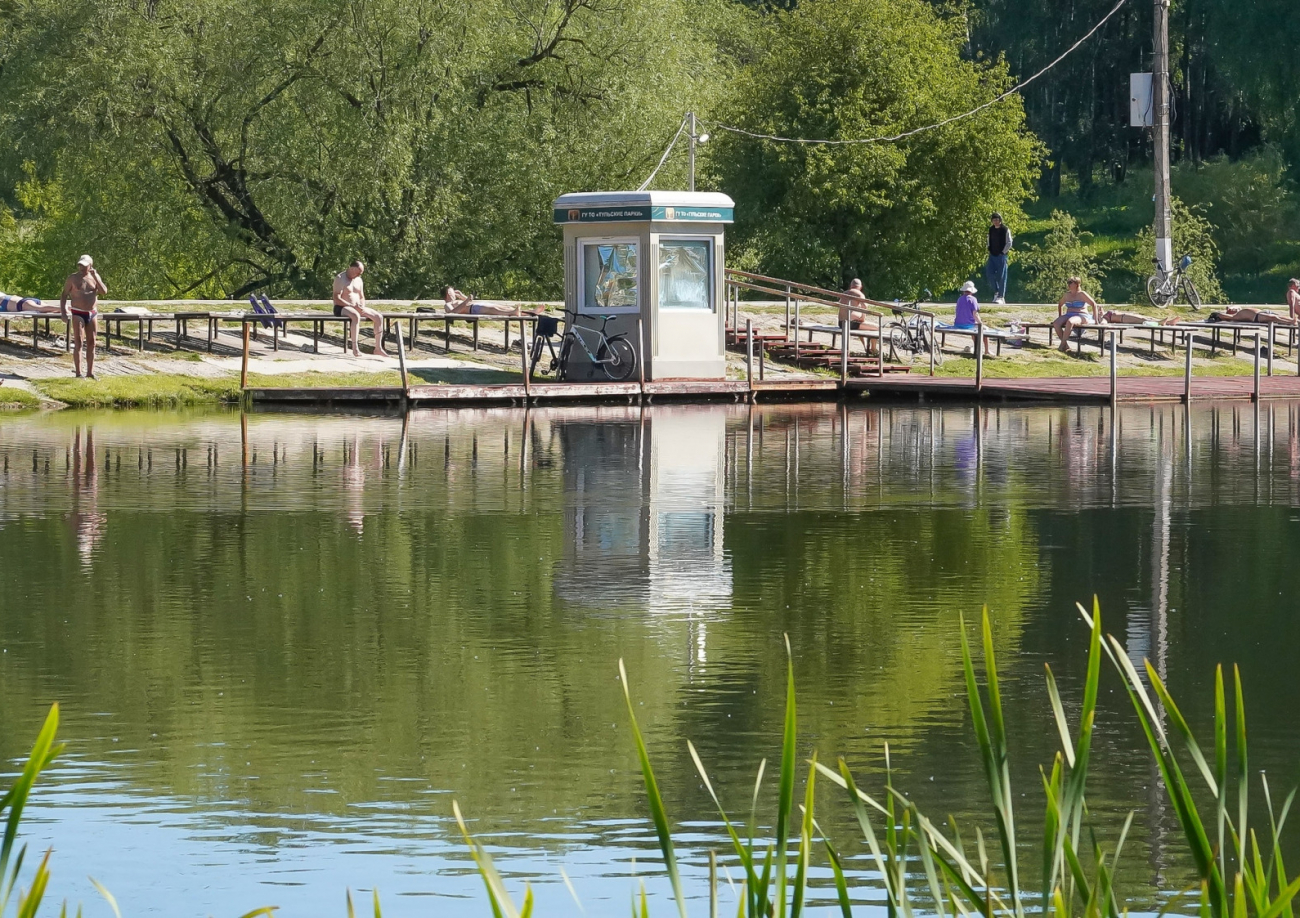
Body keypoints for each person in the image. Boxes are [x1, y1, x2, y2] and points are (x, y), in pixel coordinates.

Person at [60, 255, 107, 379]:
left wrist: (96, 277)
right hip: (77, 312)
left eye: (84, 266)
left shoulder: (94, 277)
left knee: (92, 342)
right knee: (79, 342)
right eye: (80, 265)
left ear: (90, 266)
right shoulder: (73, 278)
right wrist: (63, 312)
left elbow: (103, 292)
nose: (81, 268)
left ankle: (90, 372)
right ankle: (78, 373)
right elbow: (64, 294)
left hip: (92, 313)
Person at [333, 260, 388, 357]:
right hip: (342, 307)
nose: (359, 275)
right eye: (358, 273)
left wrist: (362, 306)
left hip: (357, 307)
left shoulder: (359, 280)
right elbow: (337, 298)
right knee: (355, 316)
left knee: (378, 317)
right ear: (352, 269)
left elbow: (361, 296)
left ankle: (378, 348)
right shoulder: (340, 278)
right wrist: (351, 306)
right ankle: (355, 348)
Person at [1052, 276, 1100, 352]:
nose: (1068, 284)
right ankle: (1065, 345)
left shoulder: (1082, 294)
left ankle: (1062, 345)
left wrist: (1096, 320)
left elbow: (1094, 304)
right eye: (1068, 282)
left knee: (1070, 321)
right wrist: (1060, 317)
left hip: (1081, 315)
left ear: (1077, 284)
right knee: (1056, 323)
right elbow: (1060, 304)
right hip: (1069, 314)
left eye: (1071, 282)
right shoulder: (1067, 295)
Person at [954, 280, 991, 355]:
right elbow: (975, 314)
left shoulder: (959, 299)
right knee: (984, 330)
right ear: (972, 291)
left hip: (957, 324)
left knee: (974, 330)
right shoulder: (973, 299)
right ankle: (987, 350)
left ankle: (977, 347)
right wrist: (981, 323)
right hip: (968, 325)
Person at [985, 212, 1012, 305]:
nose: (996, 221)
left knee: (1001, 276)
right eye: (994, 220)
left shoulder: (1005, 229)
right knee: (989, 273)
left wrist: (1003, 252)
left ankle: (1001, 296)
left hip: (1001, 255)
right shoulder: (991, 229)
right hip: (992, 255)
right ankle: (996, 292)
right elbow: (988, 239)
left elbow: (1009, 242)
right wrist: (988, 247)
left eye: (997, 220)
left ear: (1000, 220)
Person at [443, 286, 524, 316]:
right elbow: (452, 313)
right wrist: (466, 300)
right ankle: (512, 312)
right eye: (452, 291)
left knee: (503, 307)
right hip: (472, 309)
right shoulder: (448, 304)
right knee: (493, 309)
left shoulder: (456, 301)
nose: (454, 293)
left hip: (475, 305)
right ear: (448, 294)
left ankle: (527, 312)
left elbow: (470, 301)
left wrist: (461, 296)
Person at [1208, 306, 1299, 326]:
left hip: (1263, 311)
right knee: (1274, 318)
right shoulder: (1234, 317)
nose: (1232, 309)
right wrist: (1218, 314)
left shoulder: (1238, 311)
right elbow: (1224, 315)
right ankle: (1291, 322)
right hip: (1257, 316)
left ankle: (1294, 321)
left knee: (1281, 316)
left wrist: (1231, 308)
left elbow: (1234, 307)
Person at [1100, 309, 1181, 326]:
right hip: (1123, 318)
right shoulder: (1105, 317)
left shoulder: (1104, 313)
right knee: (1142, 320)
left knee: (1144, 317)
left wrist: (1101, 310)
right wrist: (1101, 322)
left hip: (1123, 315)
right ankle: (1160, 322)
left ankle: (1169, 322)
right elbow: (1103, 323)